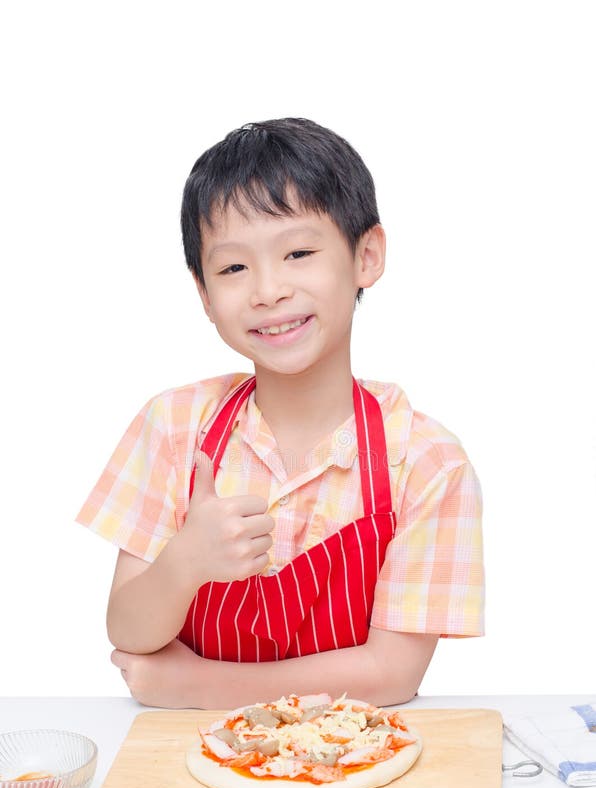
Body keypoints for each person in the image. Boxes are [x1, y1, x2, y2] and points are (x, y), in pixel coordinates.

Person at [75, 117, 485, 710]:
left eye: (297, 252)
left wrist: (199, 685)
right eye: (234, 268)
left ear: (366, 256)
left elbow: (392, 674)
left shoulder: (425, 463)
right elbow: (129, 631)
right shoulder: (174, 427)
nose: (268, 290)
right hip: (190, 762)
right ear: (204, 295)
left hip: (350, 759)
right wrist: (184, 561)